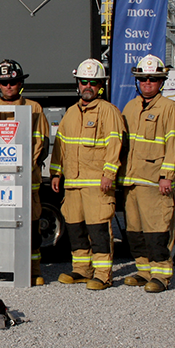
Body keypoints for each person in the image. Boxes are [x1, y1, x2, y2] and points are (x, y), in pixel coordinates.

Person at [0, 59, 50, 286]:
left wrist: (23, 168)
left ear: (20, 83)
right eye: (4, 82)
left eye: (13, 82)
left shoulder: (34, 108)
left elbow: (41, 142)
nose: (8, 86)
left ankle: (33, 270)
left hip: (26, 182)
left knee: (30, 225)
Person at [50, 59, 124, 290]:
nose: (88, 86)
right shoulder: (71, 113)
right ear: (78, 84)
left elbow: (115, 144)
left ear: (101, 85)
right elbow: (60, 145)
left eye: (93, 82)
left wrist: (109, 173)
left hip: (97, 184)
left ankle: (103, 274)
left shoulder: (109, 112)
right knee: (75, 227)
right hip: (73, 184)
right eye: (84, 82)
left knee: (99, 229)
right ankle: (81, 270)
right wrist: (56, 172)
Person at [118, 54, 175, 293]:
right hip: (131, 181)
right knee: (135, 231)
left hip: (155, 182)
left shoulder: (169, 108)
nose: (147, 83)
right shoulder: (130, 106)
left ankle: (161, 275)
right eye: (143, 78)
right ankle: (143, 271)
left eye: (153, 79)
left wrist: (167, 176)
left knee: (158, 230)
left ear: (161, 82)